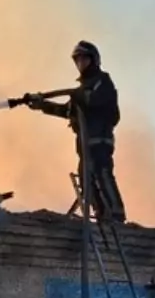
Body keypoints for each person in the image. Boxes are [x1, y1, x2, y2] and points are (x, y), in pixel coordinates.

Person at [24, 40, 127, 222]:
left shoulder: (103, 82)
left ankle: (116, 214)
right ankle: (102, 214)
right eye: (78, 60)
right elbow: (66, 111)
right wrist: (42, 105)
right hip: (85, 144)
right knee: (86, 180)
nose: (81, 64)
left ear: (93, 60)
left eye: (84, 60)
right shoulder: (79, 91)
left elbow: (94, 100)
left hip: (100, 140)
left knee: (102, 173)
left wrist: (76, 94)